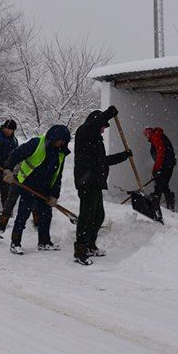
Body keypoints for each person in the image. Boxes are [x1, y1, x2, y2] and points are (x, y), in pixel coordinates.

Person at [72, 106, 132, 266]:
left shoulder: (96, 140)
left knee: (98, 216)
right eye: (103, 127)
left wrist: (123, 156)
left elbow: (103, 161)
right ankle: (80, 251)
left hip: (95, 183)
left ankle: (90, 245)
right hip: (87, 182)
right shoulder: (83, 132)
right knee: (86, 216)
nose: (104, 130)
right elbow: (93, 124)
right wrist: (110, 113)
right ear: (96, 123)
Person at [2, 125, 72, 255]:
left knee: (46, 215)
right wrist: (8, 170)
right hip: (28, 185)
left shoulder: (60, 152)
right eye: (59, 140)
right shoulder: (36, 143)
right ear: (53, 137)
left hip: (44, 189)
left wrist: (54, 195)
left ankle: (44, 242)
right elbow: (15, 155)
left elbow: (58, 175)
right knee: (23, 214)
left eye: (63, 141)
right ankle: (15, 243)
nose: (61, 143)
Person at [144, 127, 177, 211]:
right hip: (168, 164)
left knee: (158, 186)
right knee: (163, 185)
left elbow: (160, 154)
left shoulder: (156, 137)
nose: (146, 136)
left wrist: (156, 169)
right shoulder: (159, 136)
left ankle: (155, 207)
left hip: (165, 165)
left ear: (150, 133)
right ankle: (169, 205)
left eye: (146, 134)